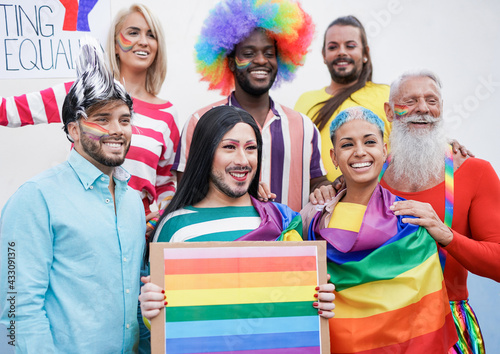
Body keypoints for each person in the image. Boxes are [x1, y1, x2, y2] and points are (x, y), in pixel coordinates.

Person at [0, 39, 145, 353]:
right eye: (102, 119)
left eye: (124, 119)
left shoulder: (133, 202)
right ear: (74, 130)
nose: (117, 130)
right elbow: (15, 310)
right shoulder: (35, 199)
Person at [139, 106, 335, 330]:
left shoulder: (283, 220)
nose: (243, 160)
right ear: (205, 153)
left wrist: (320, 302)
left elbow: (296, 301)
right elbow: (163, 326)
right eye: (229, 147)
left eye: (251, 148)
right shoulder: (174, 227)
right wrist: (150, 310)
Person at [0, 4, 179, 222]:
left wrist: (158, 219)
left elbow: (165, 181)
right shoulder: (82, 92)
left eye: (151, 35)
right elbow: (8, 110)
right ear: (114, 44)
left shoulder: (167, 114)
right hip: (81, 221)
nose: (143, 41)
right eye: (133, 32)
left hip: (136, 231)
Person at [301, 106, 457, 353]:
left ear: (384, 151)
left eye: (370, 142)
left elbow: (424, 309)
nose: (360, 152)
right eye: (347, 145)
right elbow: (296, 285)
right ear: (333, 157)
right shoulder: (312, 218)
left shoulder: (410, 220)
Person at [380, 70, 500, 353]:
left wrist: (446, 235)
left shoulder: (475, 172)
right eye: (409, 101)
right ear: (389, 111)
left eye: (431, 100)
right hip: (382, 328)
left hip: (450, 329)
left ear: (441, 108)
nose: (423, 109)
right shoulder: (371, 174)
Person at [173, 0, 329, 212]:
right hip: (224, 242)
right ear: (229, 62)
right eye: (248, 53)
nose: (261, 61)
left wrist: (333, 188)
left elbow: (317, 184)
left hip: (289, 241)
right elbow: (186, 191)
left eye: (269, 53)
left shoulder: (304, 127)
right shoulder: (201, 122)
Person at [294, 16, 390, 182]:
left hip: (376, 204)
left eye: (350, 46)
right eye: (333, 47)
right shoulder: (305, 101)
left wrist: (446, 145)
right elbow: (295, 159)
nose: (342, 52)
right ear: (324, 55)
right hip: (318, 205)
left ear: (365, 53)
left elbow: (411, 143)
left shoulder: (387, 95)